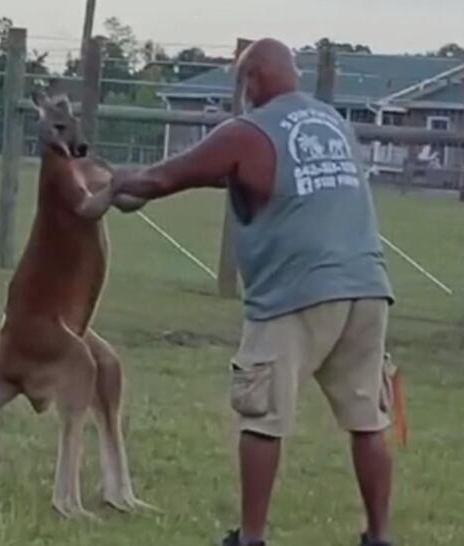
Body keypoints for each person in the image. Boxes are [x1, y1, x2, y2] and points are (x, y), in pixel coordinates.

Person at [110, 38, 396, 546]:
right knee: (367, 418)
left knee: (262, 416)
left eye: (241, 83)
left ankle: (252, 539)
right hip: (367, 289)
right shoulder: (335, 124)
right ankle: (378, 537)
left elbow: (162, 178)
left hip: (297, 292)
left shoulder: (247, 131)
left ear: (254, 79)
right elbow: (279, 180)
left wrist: (112, 184)